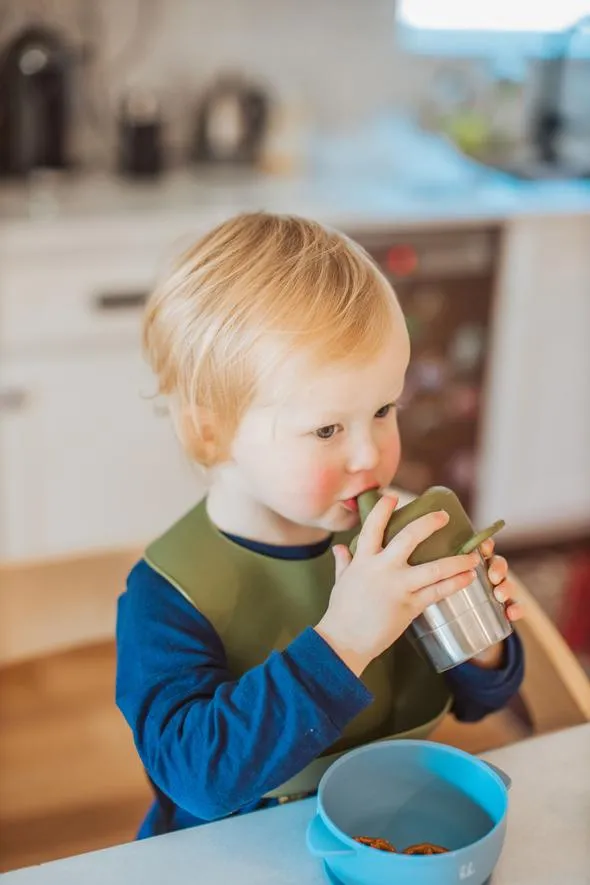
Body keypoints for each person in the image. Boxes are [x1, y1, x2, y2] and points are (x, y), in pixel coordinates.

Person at [116, 212, 524, 839]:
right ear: (209, 431)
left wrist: (479, 630)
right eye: (328, 429)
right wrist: (346, 640)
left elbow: (478, 703)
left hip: (387, 830)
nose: (370, 455)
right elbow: (198, 774)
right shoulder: (168, 596)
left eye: (385, 409)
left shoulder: (394, 535)